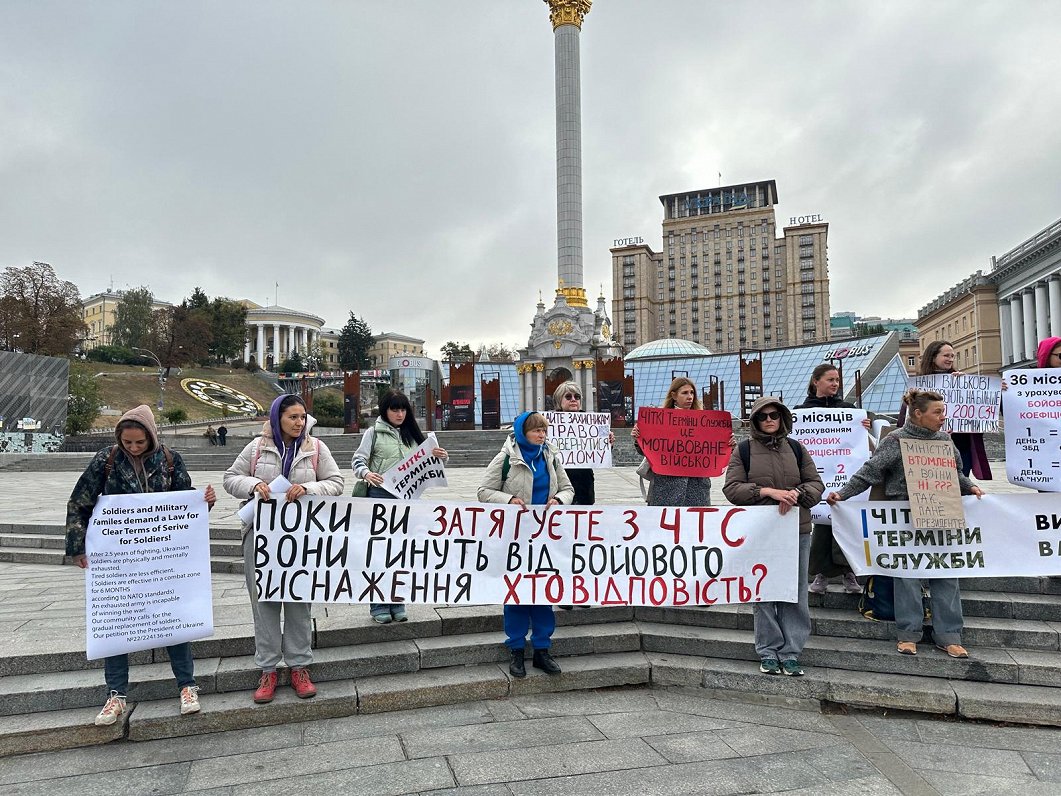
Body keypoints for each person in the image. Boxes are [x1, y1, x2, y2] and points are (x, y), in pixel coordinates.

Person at [65, 404, 217, 726]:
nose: (133, 448)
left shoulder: (172, 461)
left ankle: (187, 686)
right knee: (116, 622)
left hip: (162, 557)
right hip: (121, 560)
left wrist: (204, 504)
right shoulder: (106, 460)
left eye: (139, 442)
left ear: (151, 436)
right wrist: (77, 547)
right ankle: (116, 694)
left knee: (174, 618)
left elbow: (184, 508)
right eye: (128, 442)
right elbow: (80, 502)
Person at [827, 388, 984, 658]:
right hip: (904, 517)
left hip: (942, 512)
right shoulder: (895, 441)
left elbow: (956, 473)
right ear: (918, 414)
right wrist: (842, 494)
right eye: (937, 412)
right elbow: (869, 472)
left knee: (945, 575)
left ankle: (949, 636)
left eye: (943, 412)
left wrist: (970, 487)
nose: (943, 417)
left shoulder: (945, 440)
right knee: (907, 577)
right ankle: (909, 633)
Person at [223, 394, 344, 703]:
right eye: (292, 417)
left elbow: (336, 482)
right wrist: (253, 485)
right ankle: (267, 669)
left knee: (298, 603)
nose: (299, 422)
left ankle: (300, 667)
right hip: (261, 536)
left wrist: (309, 488)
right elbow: (230, 478)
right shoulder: (256, 447)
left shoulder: (316, 448)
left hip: (301, 537)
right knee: (263, 604)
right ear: (277, 418)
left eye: (302, 417)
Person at [723, 397, 824, 677]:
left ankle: (791, 651)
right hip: (761, 532)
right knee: (764, 591)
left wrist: (798, 494)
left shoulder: (796, 448)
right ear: (755, 421)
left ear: (783, 419)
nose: (769, 420)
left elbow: (816, 483)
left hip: (797, 530)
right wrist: (766, 492)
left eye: (774, 415)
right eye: (763, 416)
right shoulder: (743, 451)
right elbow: (732, 489)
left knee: (795, 592)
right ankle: (768, 651)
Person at [478, 411, 574, 678]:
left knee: (543, 591)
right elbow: (484, 491)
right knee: (517, 593)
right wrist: (508, 501)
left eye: (544, 430)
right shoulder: (506, 458)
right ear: (523, 433)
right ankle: (517, 649)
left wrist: (560, 500)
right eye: (536, 430)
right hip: (515, 536)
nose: (542, 435)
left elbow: (568, 488)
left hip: (546, 537)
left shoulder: (550, 457)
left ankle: (542, 649)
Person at [351, 390, 449, 623]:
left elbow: (426, 465)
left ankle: (398, 601)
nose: (400, 414)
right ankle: (378, 606)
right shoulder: (373, 433)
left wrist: (440, 457)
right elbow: (358, 460)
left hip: (407, 502)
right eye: (395, 409)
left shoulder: (413, 435)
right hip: (379, 498)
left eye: (403, 409)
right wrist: (366, 473)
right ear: (385, 410)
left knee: (401, 553)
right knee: (379, 552)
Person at [795, 363, 873, 596]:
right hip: (817, 476)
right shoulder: (801, 411)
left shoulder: (847, 409)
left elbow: (863, 443)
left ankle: (848, 572)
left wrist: (863, 428)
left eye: (837, 380)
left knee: (845, 524)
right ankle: (821, 573)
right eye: (830, 380)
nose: (835, 384)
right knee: (821, 524)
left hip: (843, 477)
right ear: (815, 382)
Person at [904, 340, 990, 479]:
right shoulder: (917, 385)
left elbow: (980, 407)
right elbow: (908, 417)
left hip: (960, 446)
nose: (950, 359)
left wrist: (969, 384)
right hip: (926, 446)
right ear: (933, 357)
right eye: (946, 355)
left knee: (960, 486)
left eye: (952, 356)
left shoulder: (962, 380)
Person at [631, 376, 711, 507]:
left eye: (692, 393)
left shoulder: (705, 421)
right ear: (674, 395)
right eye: (685, 393)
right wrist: (638, 438)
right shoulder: (659, 420)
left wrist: (728, 444)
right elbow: (648, 451)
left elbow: (713, 449)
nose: (690, 397)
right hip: (666, 488)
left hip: (697, 488)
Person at [550, 381, 614, 505]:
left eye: (577, 397)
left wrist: (607, 443)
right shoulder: (549, 423)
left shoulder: (593, 422)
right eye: (568, 397)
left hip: (584, 484)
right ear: (559, 401)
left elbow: (598, 453)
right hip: (557, 484)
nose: (573, 399)